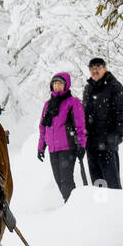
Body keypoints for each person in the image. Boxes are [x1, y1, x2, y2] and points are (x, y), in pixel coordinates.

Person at [36, 72, 87, 202]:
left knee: (66, 181)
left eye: (60, 83)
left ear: (66, 85)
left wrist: (82, 145)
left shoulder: (73, 102)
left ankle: (72, 206)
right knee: (59, 180)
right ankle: (72, 203)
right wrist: (41, 147)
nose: (57, 86)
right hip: (53, 149)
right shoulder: (48, 105)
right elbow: (43, 127)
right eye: (55, 83)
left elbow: (80, 126)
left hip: (67, 148)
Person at [83, 57, 123, 189]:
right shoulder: (88, 88)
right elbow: (84, 115)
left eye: (98, 68)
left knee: (112, 183)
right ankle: (101, 208)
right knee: (98, 184)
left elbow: (121, 113)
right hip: (91, 145)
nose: (95, 71)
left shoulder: (115, 86)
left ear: (105, 68)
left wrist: (116, 136)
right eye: (92, 68)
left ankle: (118, 208)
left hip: (107, 143)